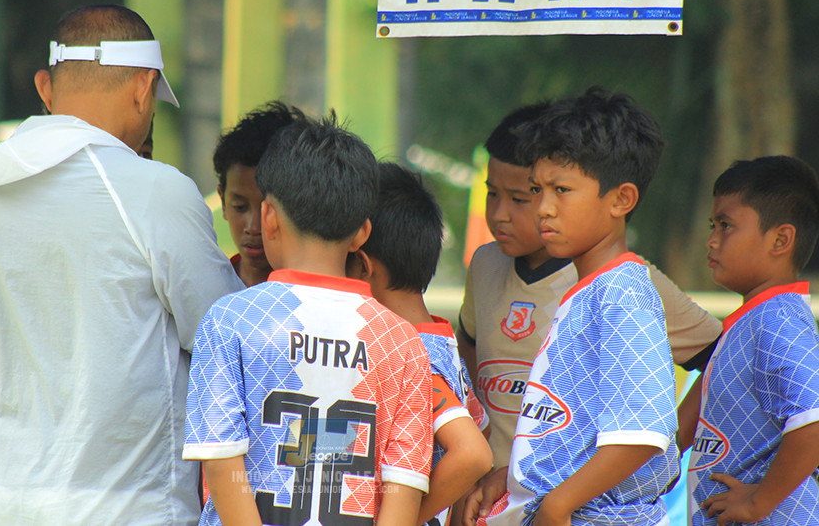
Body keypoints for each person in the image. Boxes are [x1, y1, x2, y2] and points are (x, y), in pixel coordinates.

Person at [0, 5, 243, 525]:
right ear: (144, 88)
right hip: (136, 509)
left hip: (11, 507)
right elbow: (224, 333)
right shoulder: (156, 191)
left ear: (45, 88)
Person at [457, 103, 722, 502]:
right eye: (536, 191)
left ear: (620, 200)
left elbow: (647, 429)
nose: (541, 207)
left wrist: (663, 457)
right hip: (512, 497)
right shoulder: (497, 267)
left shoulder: (626, 291)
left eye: (557, 191)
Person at [183, 115, 433, 526]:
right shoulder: (403, 342)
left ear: (268, 218)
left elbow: (221, 466)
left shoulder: (231, 320)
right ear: (362, 234)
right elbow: (403, 489)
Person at [347, 162, 493, 526]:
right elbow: (481, 425)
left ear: (363, 266)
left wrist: (406, 517)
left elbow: (473, 452)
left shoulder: (408, 352)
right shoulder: (438, 339)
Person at [679, 156, 819, 525]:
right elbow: (685, 424)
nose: (711, 239)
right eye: (713, 224)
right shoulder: (749, 321)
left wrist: (759, 502)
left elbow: (814, 420)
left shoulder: (779, 320)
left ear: (780, 239)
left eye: (726, 225)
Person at [212, 100, 305, 287]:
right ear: (222, 200)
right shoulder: (209, 287)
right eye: (239, 207)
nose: (253, 227)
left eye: (269, 210)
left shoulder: (315, 297)